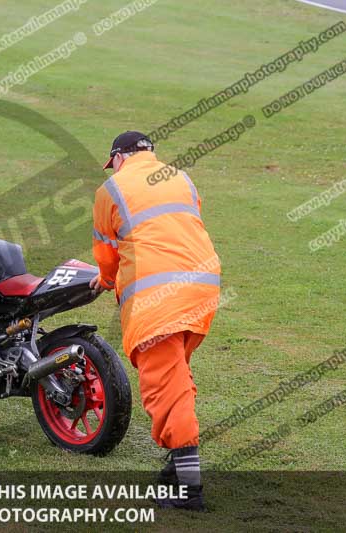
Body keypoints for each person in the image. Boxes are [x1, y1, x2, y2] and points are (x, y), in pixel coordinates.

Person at [92, 131, 221, 511]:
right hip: (203, 288)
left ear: (117, 158)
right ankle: (175, 466)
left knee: (166, 387)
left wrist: (105, 281)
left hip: (157, 296)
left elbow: (107, 256)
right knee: (176, 375)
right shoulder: (181, 177)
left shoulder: (110, 190)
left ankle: (189, 487)